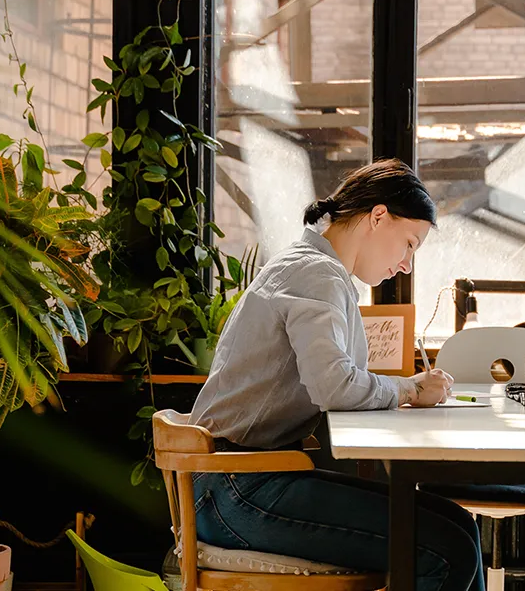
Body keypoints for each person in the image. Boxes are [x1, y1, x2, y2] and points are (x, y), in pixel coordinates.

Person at [188, 158, 485, 591]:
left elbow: (334, 377)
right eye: (408, 244)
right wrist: (410, 389)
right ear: (378, 216)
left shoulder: (312, 266)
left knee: (458, 525)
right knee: (447, 548)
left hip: (245, 478)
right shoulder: (316, 273)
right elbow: (334, 384)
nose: (405, 264)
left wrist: (404, 390)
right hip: (239, 490)